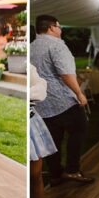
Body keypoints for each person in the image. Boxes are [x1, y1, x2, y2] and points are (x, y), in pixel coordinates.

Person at [30, 15, 93, 185]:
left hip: (41, 102)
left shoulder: (32, 46)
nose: (61, 29)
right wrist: (79, 93)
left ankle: (55, 174)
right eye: (58, 26)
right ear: (51, 28)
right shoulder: (57, 45)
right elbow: (65, 73)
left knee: (53, 139)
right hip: (62, 100)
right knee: (79, 127)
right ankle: (72, 170)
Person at [29, 63, 59, 198]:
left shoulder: (30, 67)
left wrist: (29, 94)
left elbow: (41, 91)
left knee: (35, 174)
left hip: (31, 121)